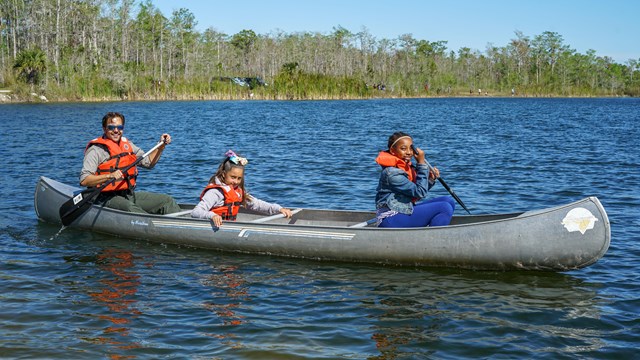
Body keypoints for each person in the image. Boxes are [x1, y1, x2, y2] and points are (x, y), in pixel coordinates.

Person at [79, 112, 181, 214]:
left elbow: (149, 163)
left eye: (119, 127)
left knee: (167, 201)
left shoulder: (128, 145)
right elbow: (84, 180)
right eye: (111, 127)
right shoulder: (95, 150)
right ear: (104, 129)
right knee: (132, 209)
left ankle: (181, 226)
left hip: (127, 194)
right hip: (103, 197)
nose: (116, 131)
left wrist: (161, 146)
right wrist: (110, 176)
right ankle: (153, 227)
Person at [191, 150, 293, 227]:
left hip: (229, 227)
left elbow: (257, 204)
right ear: (223, 175)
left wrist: (279, 209)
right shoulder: (215, 192)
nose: (235, 181)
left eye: (239, 178)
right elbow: (196, 212)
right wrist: (212, 216)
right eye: (233, 177)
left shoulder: (238, 192)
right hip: (214, 226)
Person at [375, 132, 455, 228]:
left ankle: (434, 231)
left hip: (403, 210)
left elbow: (415, 193)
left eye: (411, 148)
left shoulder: (405, 167)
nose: (409, 152)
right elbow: (420, 192)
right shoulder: (392, 174)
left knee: (448, 200)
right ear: (392, 150)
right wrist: (421, 164)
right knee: (444, 207)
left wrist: (430, 179)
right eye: (403, 149)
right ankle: (434, 238)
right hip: (391, 218)